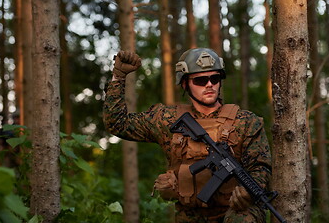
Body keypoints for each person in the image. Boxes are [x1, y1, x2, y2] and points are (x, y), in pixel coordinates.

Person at [103, 48, 272, 223]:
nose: (209, 84)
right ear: (185, 84)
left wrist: (249, 191)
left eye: (214, 78)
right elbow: (118, 124)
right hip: (190, 213)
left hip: (237, 210)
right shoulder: (167, 120)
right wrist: (119, 76)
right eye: (200, 80)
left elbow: (261, 167)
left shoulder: (245, 121)